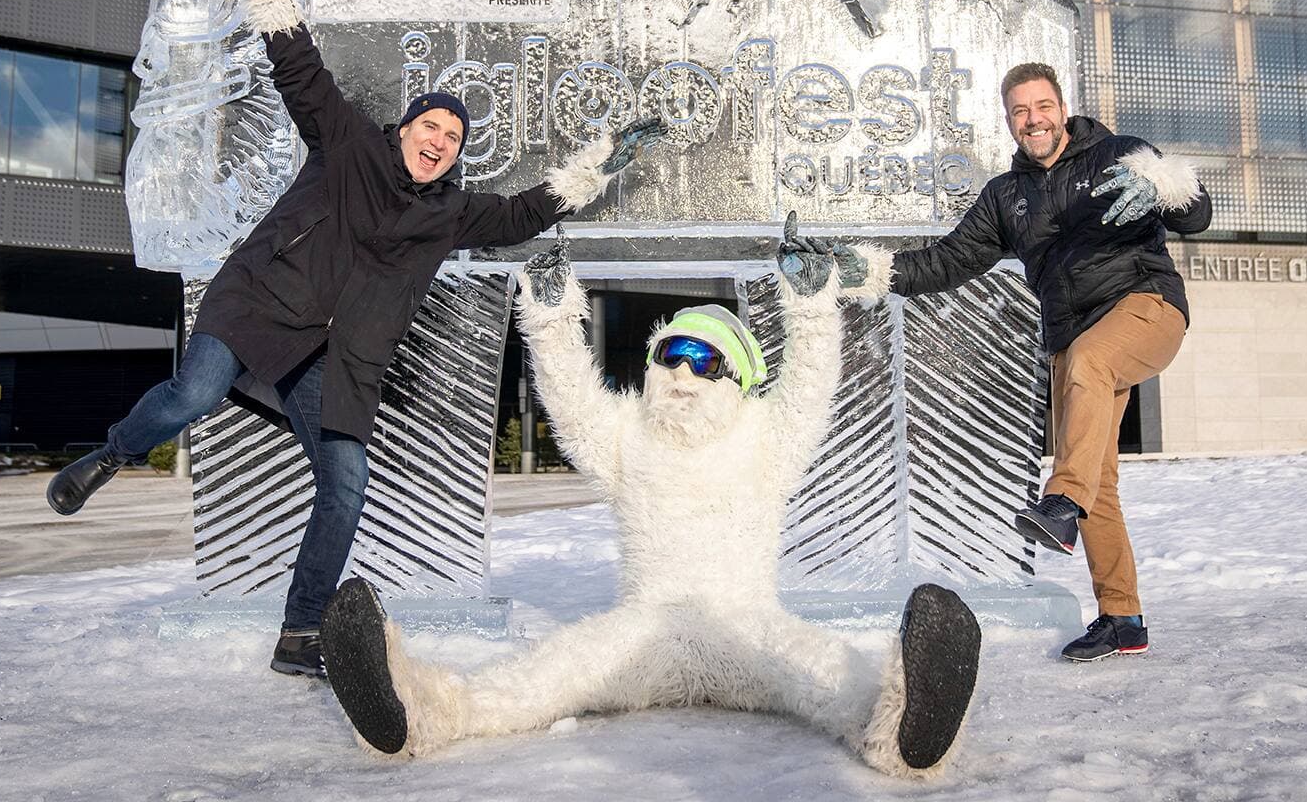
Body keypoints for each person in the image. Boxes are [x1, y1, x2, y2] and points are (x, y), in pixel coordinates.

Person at [46, 0, 669, 678]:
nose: (439, 140)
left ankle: (299, 632)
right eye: (430, 125)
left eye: (452, 135)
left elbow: (519, 217)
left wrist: (597, 167)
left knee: (346, 485)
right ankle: (108, 456)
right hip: (260, 303)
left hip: (336, 358)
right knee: (192, 397)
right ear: (405, 128)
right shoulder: (349, 147)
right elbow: (300, 72)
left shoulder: (450, 213)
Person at [317, 218, 982, 776]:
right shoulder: (630, 435)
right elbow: (575, 403)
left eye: (706, 357)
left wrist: (810, 305)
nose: (684, 372)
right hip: (646, 629)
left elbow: (809, 383)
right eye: (672, 353)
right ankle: (417, 710)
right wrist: (550, 318)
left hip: (746, 626)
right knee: (550, 673)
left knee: (827, 674)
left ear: (739, 377)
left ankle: (907, 728)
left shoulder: (766, 436)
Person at [821, 62, 1211, 662]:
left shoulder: (1119, 153)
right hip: (1073, 337)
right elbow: (944, 262)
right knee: (1096, 483)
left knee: (1084, 385)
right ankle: (1121, 618)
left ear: (1063, 107)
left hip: (1145, 306)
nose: (1034, 120)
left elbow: (1196, 216)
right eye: (1021, 112)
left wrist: (1164, 188)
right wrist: (863, 270)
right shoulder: (1006, 198)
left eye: (1043, 106)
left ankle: (1058, 503)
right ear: (1009, 121)